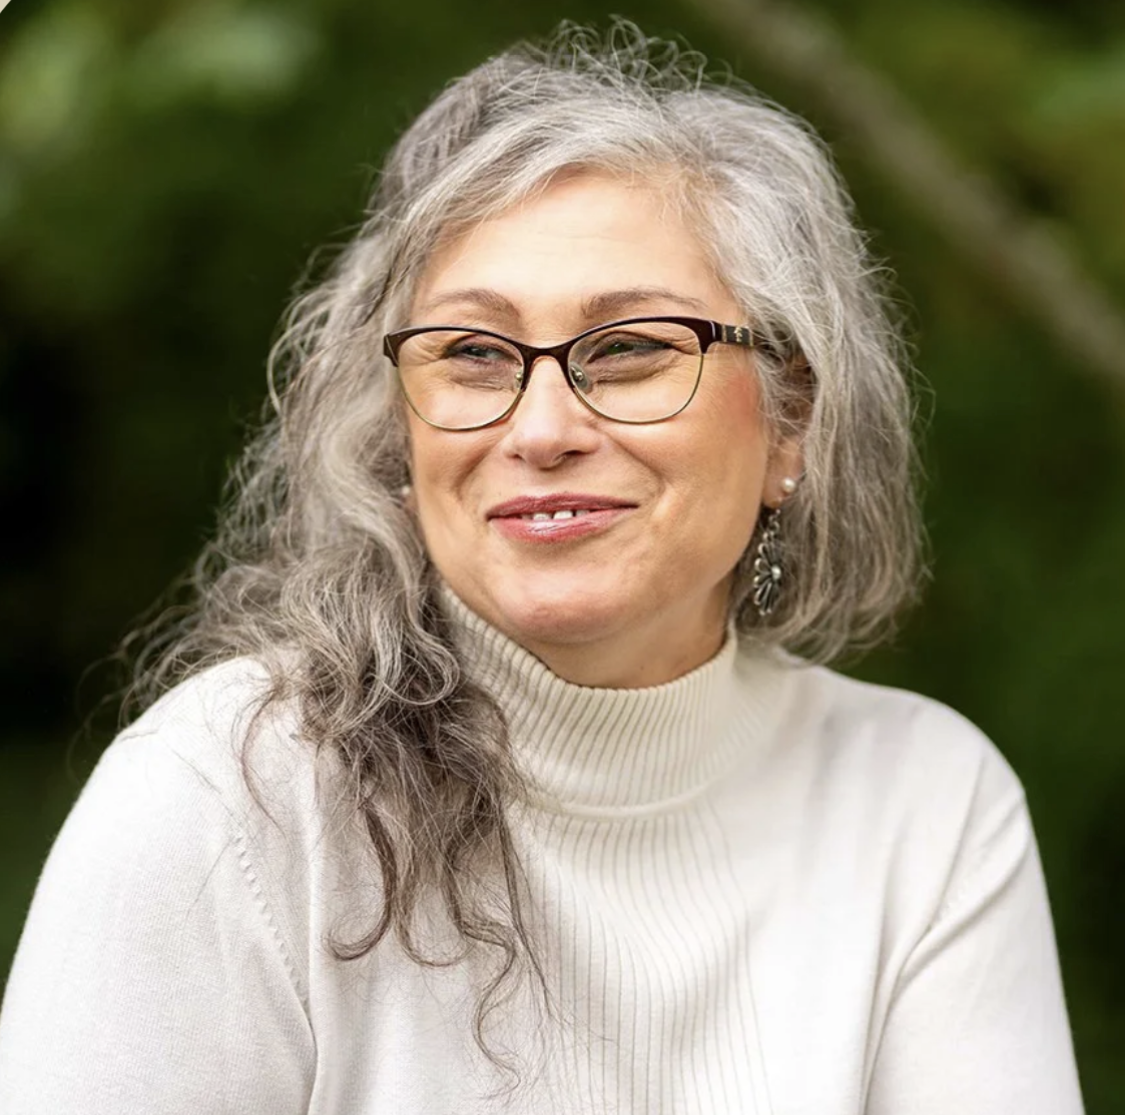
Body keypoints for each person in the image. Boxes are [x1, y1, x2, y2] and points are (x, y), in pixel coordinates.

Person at [0, 22, 1084, 1115]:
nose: (543, 428)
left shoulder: (923, 804)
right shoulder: (229, 801)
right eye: (475, 355)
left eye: (631, 348)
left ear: (790, 416)